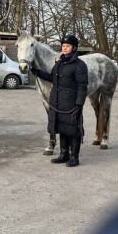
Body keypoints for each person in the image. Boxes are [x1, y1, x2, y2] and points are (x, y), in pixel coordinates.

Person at [31, 35, 88, 167]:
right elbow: (52, 78)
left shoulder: (80, 65)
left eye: (67, 46)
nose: (65, 48)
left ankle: (74, 157)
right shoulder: (59, 64)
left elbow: (82, 86)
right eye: (63, 46)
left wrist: (79, 104)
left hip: (72, 103)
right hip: (58, 102)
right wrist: (37, 72)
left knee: (74, 129)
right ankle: (64, 154)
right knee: (62, 128)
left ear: (74, 48)